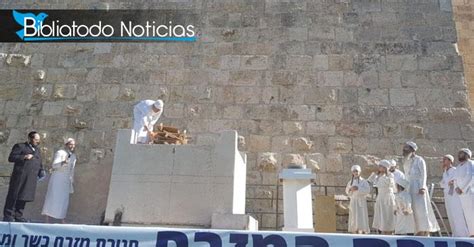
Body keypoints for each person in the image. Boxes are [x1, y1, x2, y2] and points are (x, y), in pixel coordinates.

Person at [3, 131, 45, 222]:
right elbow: (11, 158)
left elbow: (39, 161)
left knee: (24, 196)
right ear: (30, 138)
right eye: (36, 140)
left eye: (39, 140)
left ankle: (18, 215)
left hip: (30, 177)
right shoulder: (20, 146)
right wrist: (24, 156)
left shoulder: (37, 149)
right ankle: (8, 215)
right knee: (15, 195)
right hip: (20, 176)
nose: (38, 142)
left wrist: (41, 170)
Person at [402, 141, 440, 236]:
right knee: (413, 208)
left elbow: (424, 174)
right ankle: (416, 229)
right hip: (409, 186)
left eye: (407, 148)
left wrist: (422, 187)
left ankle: (424, 230)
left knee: (421, 209)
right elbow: (406, 175)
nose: (405, 150)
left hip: (418, 186)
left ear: (412, 149)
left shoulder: (419, 160)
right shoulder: (406, 161)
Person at [42, 138, 77, 223]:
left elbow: (72, 169)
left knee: (64, 199)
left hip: (66, 179)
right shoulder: (60, 153)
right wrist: (62, 162)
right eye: (70, 144)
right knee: (53, 197)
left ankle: (62, 218)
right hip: (58, 177)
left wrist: (71, 180)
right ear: (66, 145)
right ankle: (47, 218)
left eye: (73, 144)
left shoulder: (73, 156)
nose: (72, 146)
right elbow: (54, 165)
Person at [440, 154, 469, 237]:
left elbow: (456, 180)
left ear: (450, 161)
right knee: (450, 214)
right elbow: (442, 183)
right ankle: (455, 234)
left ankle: (463, 234)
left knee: (457, 214)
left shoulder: (455, 170)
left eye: (445, 160)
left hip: (454, 196)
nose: (443, 162)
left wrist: (451, 183)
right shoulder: (445, 172)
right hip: (447, 196)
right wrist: (447, 183)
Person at [371, 159, 396, 235]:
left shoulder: (390, 175)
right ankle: (383, 231)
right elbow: (373, 183)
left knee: (388, 216)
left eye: (381, 166)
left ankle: (388, 231)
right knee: (381, 216)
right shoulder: (377, 176)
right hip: (381, 197)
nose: (379, 167)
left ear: (385, 167)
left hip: (387, 198)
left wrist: (384, 176)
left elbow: (390, 184)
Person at [453, 148, 474, 237]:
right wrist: (456, 188)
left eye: (462, 153)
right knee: (467, 214)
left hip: (469, 192)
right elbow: (455, 179)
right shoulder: (458, 167)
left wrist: (462, 188)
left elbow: (470, 176)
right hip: (461, 194)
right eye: (459, 153)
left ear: (467, 155)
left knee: (472, 212)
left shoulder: (470, 163)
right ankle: (471, 233)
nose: (460, 155)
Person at [345, 165, 370, 234]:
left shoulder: (364, 181)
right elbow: (347, 191)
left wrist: (358, 189)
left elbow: (367, 190)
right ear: (352, 173)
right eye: (354, 171)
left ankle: (362, 230)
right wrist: (350, 189)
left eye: (357, 171)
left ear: (360, 172)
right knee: (354, 216)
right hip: (353, 201)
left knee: (361, 216)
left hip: (361, 201)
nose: (355, 173)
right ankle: (354, 230)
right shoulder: (350, 182)